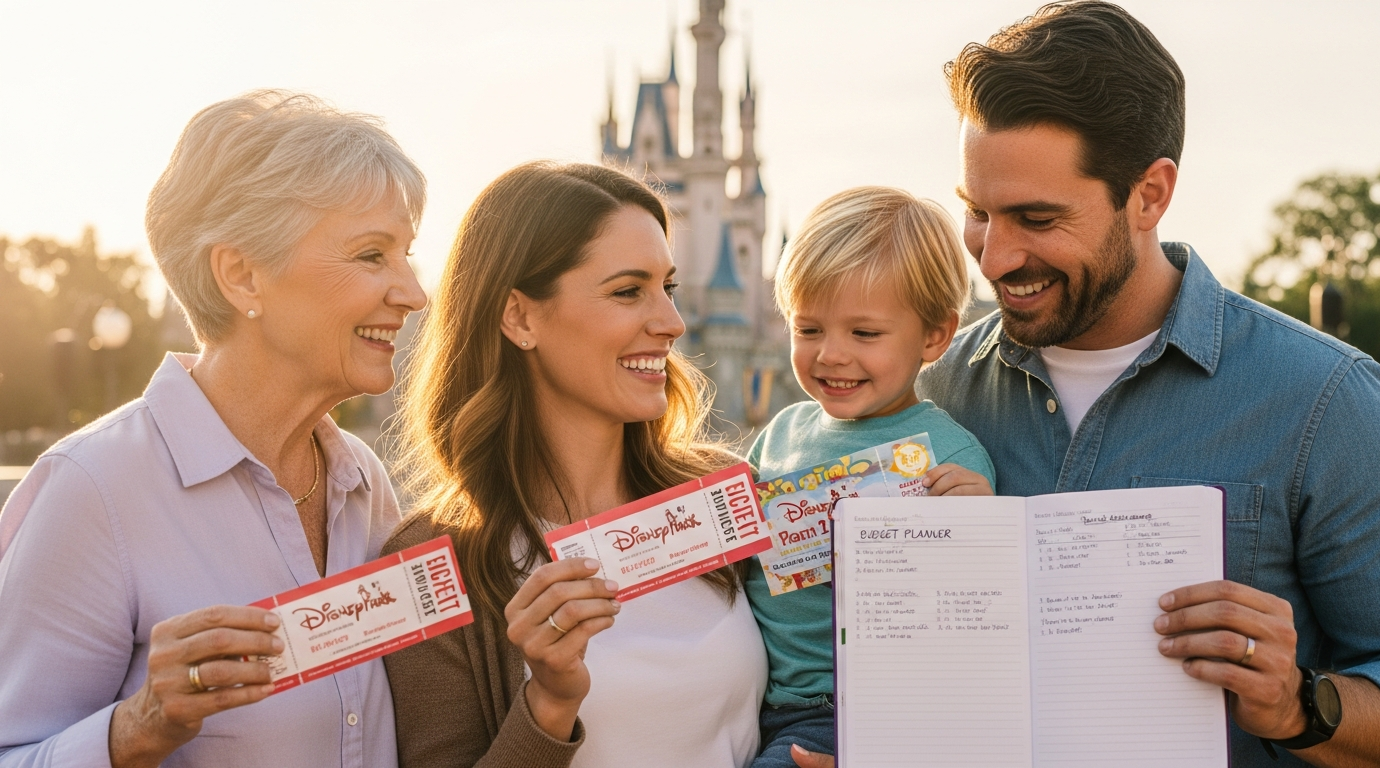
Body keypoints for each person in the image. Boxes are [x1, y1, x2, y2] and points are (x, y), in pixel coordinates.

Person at [909, 3, 1380, 767]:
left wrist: (1302, 703)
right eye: (977, 212)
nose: (995, 257)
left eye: (1036, 218)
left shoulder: (1325, 401)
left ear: (1149, 193)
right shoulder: (938, 392)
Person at [0, 91, 427, 767]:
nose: (413, 292)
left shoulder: (363, 484)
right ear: (241, 275)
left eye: (407, 254)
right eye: (373, 256)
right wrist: (134, 728)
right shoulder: (94, 489)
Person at [381, 161, 768, 768]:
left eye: (668, 288)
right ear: (520, 317)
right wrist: (550, 703)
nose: (671, 323)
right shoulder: (432, 562)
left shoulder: (721, 493)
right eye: (626, 291)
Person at [743, 187, 997, 768]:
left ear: (934, 336)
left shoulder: (949, 454)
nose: (831, 354)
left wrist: (981, 532)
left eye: (864, 334)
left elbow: (968, 615)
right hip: (756, 699)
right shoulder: (780, 434)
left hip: (859, 711)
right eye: (808, 330)